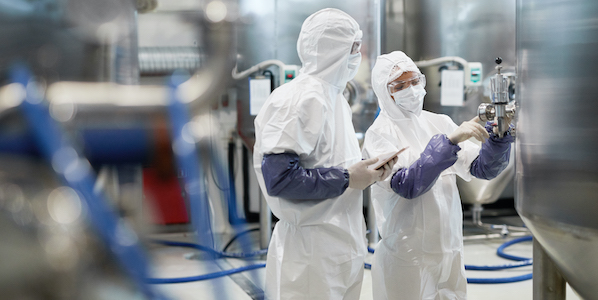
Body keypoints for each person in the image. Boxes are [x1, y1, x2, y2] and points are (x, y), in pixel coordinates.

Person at [253, 8, 396, 300]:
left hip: (343, 243)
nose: (358, 55)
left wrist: (366, 171)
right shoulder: (297, 99)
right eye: (353, 47)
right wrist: (347, 177)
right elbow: (279, 179)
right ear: (333, 49)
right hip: (309, 254)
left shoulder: (335, 98)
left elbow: (330, 164)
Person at [362, 51, 514, 300]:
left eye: (414, 81)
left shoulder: (439, 122)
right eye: (399, 85)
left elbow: (482, 168)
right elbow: (408, 185)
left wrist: (498, 139)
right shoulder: (380, 134)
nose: (410, 89)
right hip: (407, 256)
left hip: (448, 251)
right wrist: (451, 141)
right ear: (384, 91)